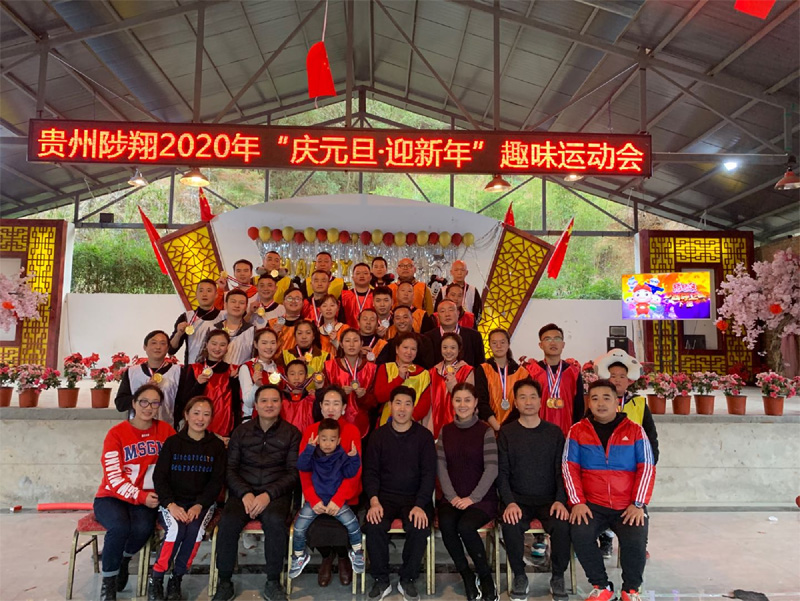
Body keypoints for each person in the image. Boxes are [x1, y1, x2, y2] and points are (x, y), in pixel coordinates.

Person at [564, 379, 655, 601]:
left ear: (617, 402)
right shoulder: (577, 431)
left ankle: (631, 589)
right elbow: (568, 467)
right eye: (595, 398)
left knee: (635, 537)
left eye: (607, 398)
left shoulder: (635, 430)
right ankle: (601, 586)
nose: (600, 403)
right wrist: (577, 502)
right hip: (592, 504)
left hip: (627, 504)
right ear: (589, 403)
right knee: (580, 532)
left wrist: (638, 504)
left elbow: (647, 467)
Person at [212, 384, 301, 601]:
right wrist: (245, 493)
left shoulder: (292, 433)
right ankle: (224, 581)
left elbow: (293, 473)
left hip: (275, 494)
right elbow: (230, 469)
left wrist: (268, 494)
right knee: (228, 522)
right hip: (243, 493)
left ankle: (273, 581)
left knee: (275, 521)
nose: (269, 405)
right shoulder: (241, 432)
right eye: (264, 401)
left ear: (281, 404)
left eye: (274, 401)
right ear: (256, 405)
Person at [94, 384, 175, 601]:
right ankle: (108, 584)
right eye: (144, 402)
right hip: (112, 497)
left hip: (148, 499)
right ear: (134, 403)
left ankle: (123, 560)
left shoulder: (166, 431)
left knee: (143, 529)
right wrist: (140, 496)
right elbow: (113, 477)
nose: (149, 407)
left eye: (155, 403)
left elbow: (175, 463)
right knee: (119, 527)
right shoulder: (116, 433)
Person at [498, 378, 571, 601]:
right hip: (518, 500)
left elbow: (561, 471)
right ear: (515, 403)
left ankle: (558, 576)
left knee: (562, 524)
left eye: (532, 397)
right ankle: (519, 575)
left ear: (540, 401)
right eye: (522, 397)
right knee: (510, 524)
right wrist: (509, 502)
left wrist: (560, 500)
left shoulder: (554, 433)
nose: (528, 402)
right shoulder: (507, 433)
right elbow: (502, 473)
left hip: (549, 500)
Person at [363, 386, 436, 601]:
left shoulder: (424, 437)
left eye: (407, 404)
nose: (402, 409)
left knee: (419, 526)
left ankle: (408, 578)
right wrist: (374, 501)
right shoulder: (378, 436)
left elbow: (429, 475)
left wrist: (420, 504)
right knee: (374, 524)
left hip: (415, 498)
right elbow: (370, 472)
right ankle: (381, 579)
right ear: (390, 406)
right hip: (383, 497)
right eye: (398, 403)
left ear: (413, 408)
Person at [149, 396, 226, 601]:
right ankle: (156, 578)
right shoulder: (173, 443)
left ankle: (177, 578)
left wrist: (200, 505)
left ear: (211, 418)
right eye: (196, 413)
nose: (200, 419)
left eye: (206, 414)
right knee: (176, 530)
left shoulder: (216, 446)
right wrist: (170, 504)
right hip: (172, 502)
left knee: (195, 531)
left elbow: (216, 482)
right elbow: (160, 477)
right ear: (186, 415)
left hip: (201, 504)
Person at [594, 349, 659, 559]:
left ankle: (639, 544)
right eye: (613, 376)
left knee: (638, 507)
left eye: (622, 376)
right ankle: (605, 541)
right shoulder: (597, 403)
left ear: (629, 380)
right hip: (602, 469)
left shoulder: (639, 404)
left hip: (631, 470)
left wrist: (649, 463)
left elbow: (651, 437)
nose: (617, 380)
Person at [436, 382, 498, 601]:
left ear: (475, 403)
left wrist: (472, 498)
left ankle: (485, 576)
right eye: (458, 400)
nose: (462, 405)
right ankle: (466, 575)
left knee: (466, 526)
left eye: (467, 400)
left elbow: (492, 468)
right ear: (452, 402)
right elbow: (441, 466)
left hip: (481, 499)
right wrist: (452, 496)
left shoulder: (485, 431)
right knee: (446, 523)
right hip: (452, 498)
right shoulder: (445, 431)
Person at [299, 387, 364, 587]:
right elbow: (304, 470)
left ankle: (343, 557)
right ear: (320, 406)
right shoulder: (311, 431)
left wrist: (338, 499)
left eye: (336, 404)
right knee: (314, 527)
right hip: (317, 497)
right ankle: (326, 557)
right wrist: (313, 498)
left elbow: (355, 471)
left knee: (344, 526)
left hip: (344, 498)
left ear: (344, 408)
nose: (331, 408)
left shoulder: (351, 431)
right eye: (326, 403)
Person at [177, 329, 240, 440]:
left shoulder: (233, 370)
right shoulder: (194, 369)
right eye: (214, 344)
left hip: (224, 427)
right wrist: (198, 384)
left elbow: (237, 404)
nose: (217, 348)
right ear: (206, 345)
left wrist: (233, 381)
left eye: (222, 345)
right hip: (198, 425)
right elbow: (184, 401)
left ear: (227, 348)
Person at [525, 324, 584, 437]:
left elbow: (579, 406)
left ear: (563, 344)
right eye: (547, 339)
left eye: (557, 339)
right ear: (541, 345)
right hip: (538, 432)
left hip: (567, 432)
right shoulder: (532, 371)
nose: (553, 343)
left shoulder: (573, 372)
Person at [116, 330, 182, 425]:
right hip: (137, 428)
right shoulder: (132, 372)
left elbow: (184, 403)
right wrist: (142, 393)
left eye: (162, 343)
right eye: (153, 343)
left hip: (168, 428)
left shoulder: (178, 372)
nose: (158, 347)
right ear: (145, 347)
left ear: (168, 348)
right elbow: (120, 404)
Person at [323, 328, 377, 438]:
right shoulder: (329, 366)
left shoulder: (371, 369)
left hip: (362, 423)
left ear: (361, 344)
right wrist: (338, 393)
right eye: (347, 341)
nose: (351, 345)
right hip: (334, 423)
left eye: (355, 341)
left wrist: (364, 396)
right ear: (341, 344)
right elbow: (322, 397)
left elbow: (375, 402)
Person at [475, 329, 532, 432]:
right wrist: (497, 427)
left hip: (515, 428)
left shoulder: (522, 373)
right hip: (488, 428)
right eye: (494, 343)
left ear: (508, 344)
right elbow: (481, 401)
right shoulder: (483, 369)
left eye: (502, 342)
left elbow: (523, 403)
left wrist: (506, 429)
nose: (498, 346)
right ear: (489, 345)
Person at [373, 333, 432, 428]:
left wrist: (410, 418)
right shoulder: (385, 368)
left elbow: (425, 403)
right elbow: (380, 396)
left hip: (413, 424)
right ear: (397, 349)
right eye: (405, 347)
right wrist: (399, 377)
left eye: (413, 349)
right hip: (387, 423)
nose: (409, 352)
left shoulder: (424, 373)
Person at [426, 333, 474, 439]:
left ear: (459, 349)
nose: (448, 351)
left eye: (452, 348)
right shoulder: (432, 372)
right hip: (435, 422)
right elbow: (429, 403)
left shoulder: (467, 371)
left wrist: (453, 385)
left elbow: (469, 400)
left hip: (458, 421)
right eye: (445, 347)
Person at [169, 279, 221, 365]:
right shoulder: (186, 317)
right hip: (192, 369)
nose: (204, 294)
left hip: (219, 369)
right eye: (201, 291)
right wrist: (178, 334)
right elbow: (171, 350)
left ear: (216, 295)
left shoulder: (224, 317)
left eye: (209, 291)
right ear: (196, 294)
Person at [425, 300, 485, 368]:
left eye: (451, 310)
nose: (447, 314)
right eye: (442, 311)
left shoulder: (474, 336)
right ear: (437, 316)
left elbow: (481, 366)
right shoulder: (427, 338)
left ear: (458, 313)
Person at [239, 328, 282, 419]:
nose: (269, 347)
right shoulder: (247, 367)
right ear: (255, 344)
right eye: (264, 343)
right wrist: (257, 385)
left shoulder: (280, 370)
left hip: (276, 420)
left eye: (273, 343)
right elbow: (248, 403)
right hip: (252, 420)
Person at [214, 289, 256, 366]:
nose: (237, 305)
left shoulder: (252, 331)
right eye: (233, 302)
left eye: (241, 303)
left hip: (243, 372)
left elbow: (255, 359)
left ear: (246, 307)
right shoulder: (215, 329)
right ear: (226, 304)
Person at [280, 359, 316, 435]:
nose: (296, 378)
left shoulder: (312, 399)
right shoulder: (280, 399)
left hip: (307, 440)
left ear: (306, 376)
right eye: (292, 374)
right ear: (286, 376)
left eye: (301, 373)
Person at [268, 285, 305, 351]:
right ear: (283, 302)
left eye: (297, 299)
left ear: (303, 303)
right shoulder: (272, 323)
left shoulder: (308, 324)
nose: (293, 301)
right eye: (289, 298)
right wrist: (273, 334)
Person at [341, 262, 374, 328]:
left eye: (365, 273)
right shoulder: (344, 296)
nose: (361, 276)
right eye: (358, 273)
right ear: (353, 277)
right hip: (349, 332)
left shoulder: (376, 295)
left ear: (370, 277)